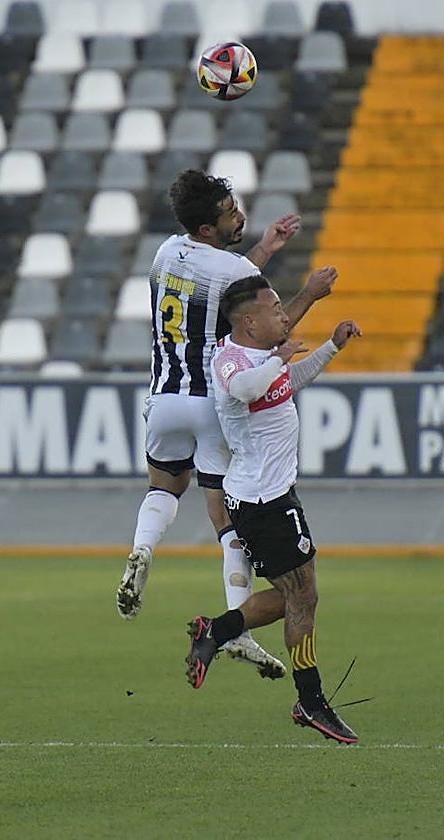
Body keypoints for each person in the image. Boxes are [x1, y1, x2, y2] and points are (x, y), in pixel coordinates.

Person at [116, 170, 337, 682]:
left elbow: (224, 282)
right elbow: (263, 320)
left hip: (163, 396)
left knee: (164, 486)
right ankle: (238, 631)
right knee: (228, 521)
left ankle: (142, 548)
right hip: (210, 398)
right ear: (210, 227)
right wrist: (309, 294)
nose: (239, 215)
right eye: (230, 211)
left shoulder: (168, 252)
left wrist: (264, 249)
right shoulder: (234, 272)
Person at [184, 275, 363, 745]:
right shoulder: (230, 359)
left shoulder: (264, 358)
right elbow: (245, 389)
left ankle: (216, 630)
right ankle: (311, 700)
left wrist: (330, 348)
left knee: (295, 598)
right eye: (275, 307)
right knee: (304, 597)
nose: (284, 314)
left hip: (271, 495)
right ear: (249, 321)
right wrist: (280, 356)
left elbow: (288, 381)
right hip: (263, 500)